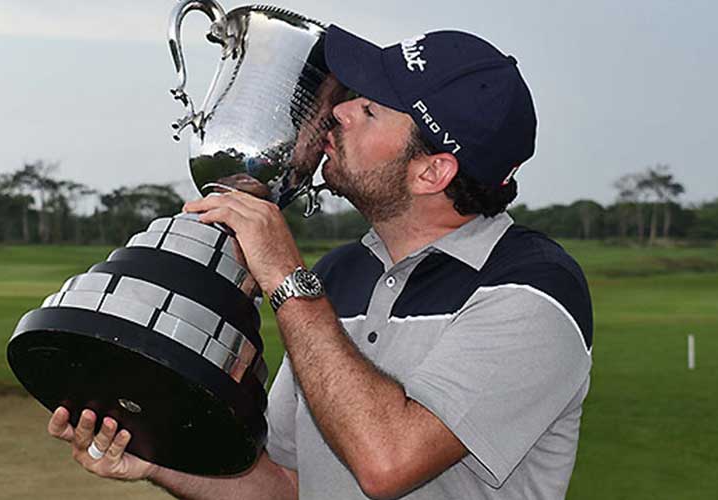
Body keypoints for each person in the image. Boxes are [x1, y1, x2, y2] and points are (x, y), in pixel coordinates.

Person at [47, 24, 593, 500]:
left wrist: (288, 279)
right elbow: (288, 487)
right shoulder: (338, 275)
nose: (338, 110)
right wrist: (157, 463)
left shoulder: (533, 290)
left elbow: (387, 462)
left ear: (432, 172)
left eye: (371, 109)